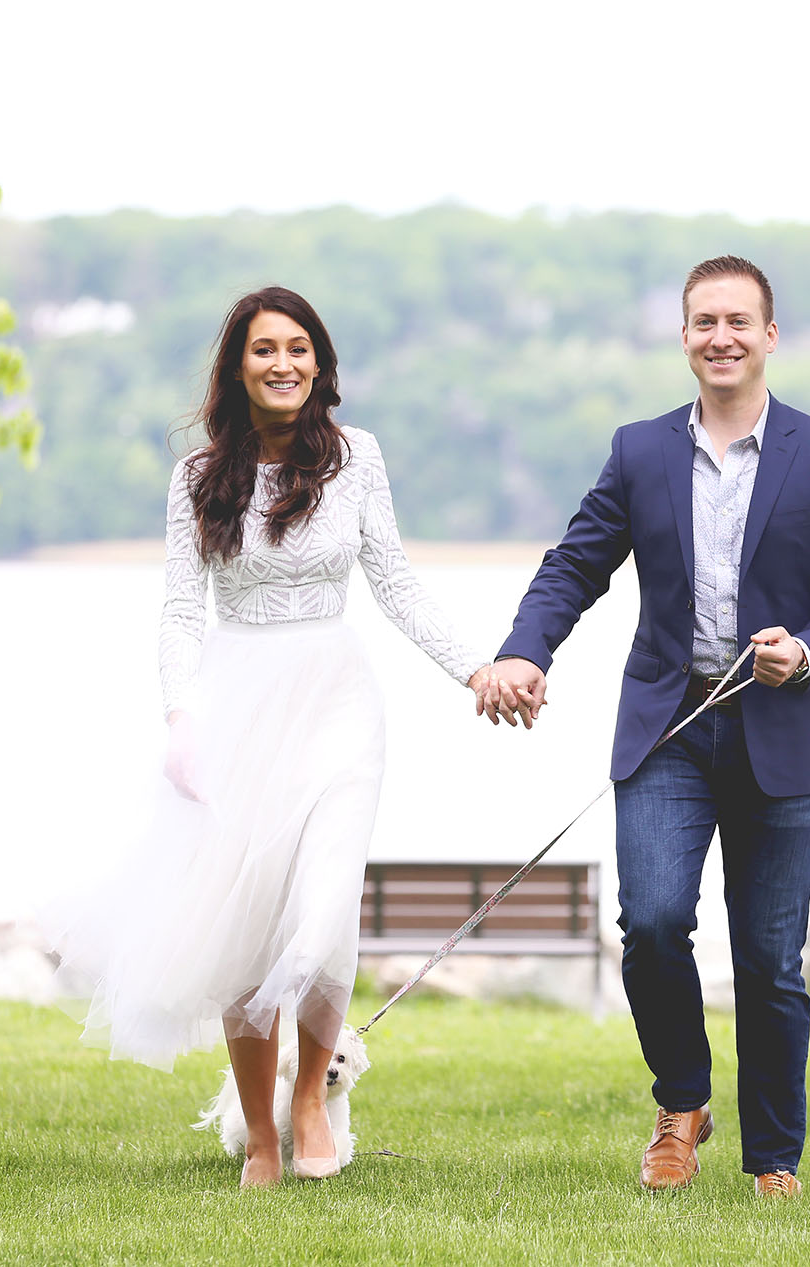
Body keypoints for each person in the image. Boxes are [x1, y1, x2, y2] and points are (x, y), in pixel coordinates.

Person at [45, 286, 515, 1189]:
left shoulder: (357, 458)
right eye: (266, 349)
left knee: (327, 903)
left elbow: (398, 583)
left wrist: (478, 668)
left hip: (339, 702)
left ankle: (312, 1097)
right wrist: (179, 715)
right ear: (237, 367)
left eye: (299, 347)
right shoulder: (196, 478)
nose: (284, 363)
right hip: (235, 704)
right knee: (249, 917)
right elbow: (182, 612)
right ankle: (259, 1129)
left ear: (320, 362)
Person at [484, 256, 810, 1197]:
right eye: (705, 321)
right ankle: (682, 1104)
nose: (722, 337)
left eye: (739, 322)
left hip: (780, 730)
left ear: (770, 335)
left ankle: (774, 1160)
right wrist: (524, 651)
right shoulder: (640, 451)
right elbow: (574, 565)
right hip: (667, 730)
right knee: (656, 923)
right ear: (683, 337)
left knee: (769, 958)